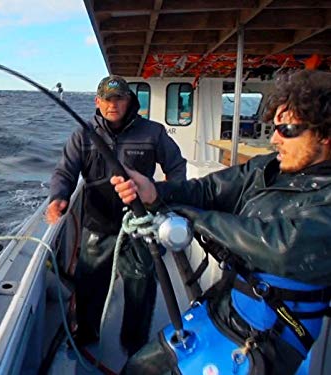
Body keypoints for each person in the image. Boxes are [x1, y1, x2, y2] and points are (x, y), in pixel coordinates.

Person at [111, 69, 331, 373]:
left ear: (324, 133)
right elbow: (207, 189)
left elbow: (284, 246)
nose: (274, 139)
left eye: (288, 129)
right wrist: (153, 192)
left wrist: (195, 219)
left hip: (270, 334)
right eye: (274, 127)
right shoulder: (266, 168)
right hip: (223, 305)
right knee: (137, 368)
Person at [46, 75, 187, 355]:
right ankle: (86, 333)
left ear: (129, 101)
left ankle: (134, 344)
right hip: (97, 224)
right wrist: (58, 197)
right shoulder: (83, 134)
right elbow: (65, 171)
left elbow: (178, 169)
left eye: (119, 98)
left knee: (141, 285)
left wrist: (161, 196)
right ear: (97, 102)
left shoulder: (153, 132)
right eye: (107, 99)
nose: (113, 104)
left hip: (139, 225)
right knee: (89, 283)